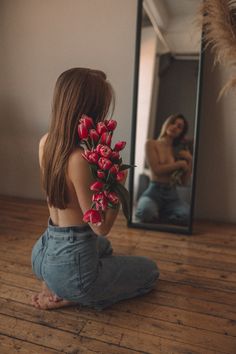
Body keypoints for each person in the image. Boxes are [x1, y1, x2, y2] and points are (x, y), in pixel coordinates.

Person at [31, 68, 159, 310]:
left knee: (105, 250)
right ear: (90, 109)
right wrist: (118, 182)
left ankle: (53, 280)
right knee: (150, 270)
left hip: (43, 250)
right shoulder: (79, 158)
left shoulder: (45, 142)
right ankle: (70, 293)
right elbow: (100, 227)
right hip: (71, 266)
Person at [135, 113, 192, 225]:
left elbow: (184, 182)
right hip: (153, 192)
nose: (175, 126)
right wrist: (179, 164)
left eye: (179, 127)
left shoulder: (179, 151)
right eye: (173, 122)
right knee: (146, 212)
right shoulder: (151, 144)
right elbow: (156, 170)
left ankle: (158, 214)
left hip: (172, 195)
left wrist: (190, 160)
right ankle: (154, 210)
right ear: (167, 123)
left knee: (188, 215)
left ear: (181, 133)